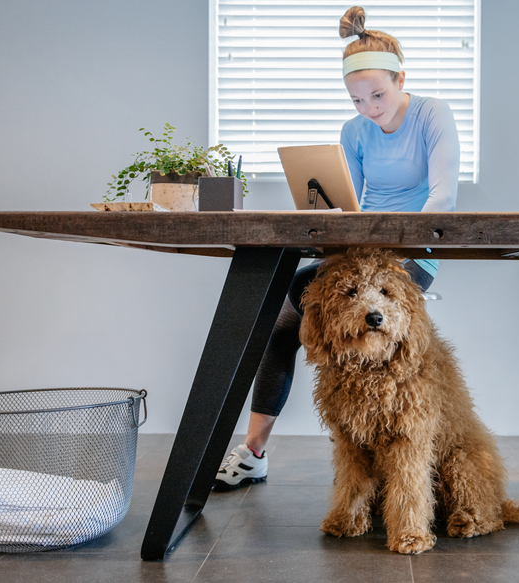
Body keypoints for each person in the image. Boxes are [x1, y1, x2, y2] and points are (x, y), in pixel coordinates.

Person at [214, 5, 461, 490]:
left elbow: (444, 198)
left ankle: (395, 448)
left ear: (401, 78)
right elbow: (346, 202)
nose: (369, 108)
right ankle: (254, 452)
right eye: (356, 99)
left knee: (298, 306)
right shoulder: (354, 132)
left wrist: (385, 240)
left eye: (378, 94)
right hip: (359, 250)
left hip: (414, 254)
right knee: (284, 318)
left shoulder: (434, 113)